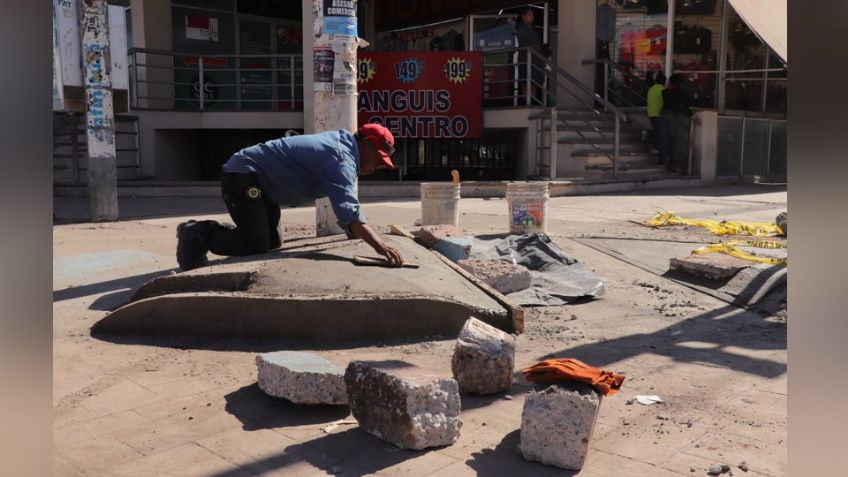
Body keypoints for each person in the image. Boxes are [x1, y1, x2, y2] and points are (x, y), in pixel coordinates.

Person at [175, 123, 405, 271]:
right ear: (366, 144)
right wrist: (380, 246)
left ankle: (232, 230)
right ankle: (196, 234)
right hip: (244, 177)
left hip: (264, 187)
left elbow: (344, 205)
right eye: (378, 158)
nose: (376, 166)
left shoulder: (343, 151)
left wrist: (352, 230)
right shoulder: (341, 158)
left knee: (273, 241)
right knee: (255, 244)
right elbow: (350, 213)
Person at [514, 7, 551, 105]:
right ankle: (526, 102)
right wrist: (534, 47)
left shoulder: (534, 29)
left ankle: (532, 101)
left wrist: (543, 49)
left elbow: (538, 44)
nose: (532, 17)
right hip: (526, 59)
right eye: (530, 15)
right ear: (523, 17)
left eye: (532, 15)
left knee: (534, 81)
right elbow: (523, 42)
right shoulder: (521, 28)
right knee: (526, 81)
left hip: (536, 60)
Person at [658, 73, 691, 173]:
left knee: (663, 138)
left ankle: (662, 159)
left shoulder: (664, 92)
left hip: (663, 115)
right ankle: (671, 164)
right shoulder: (680, 92)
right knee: (673, 140)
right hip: (673, 116)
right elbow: (685, 105)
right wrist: (689, 114)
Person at [646, 71, 666, 155]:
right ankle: (654, 147)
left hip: (651, 112)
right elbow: (663, 101)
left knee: (656, 130)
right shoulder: (662, 90)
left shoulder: (651, 89)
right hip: (659, 113)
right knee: (659, 132)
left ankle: (647, 133)